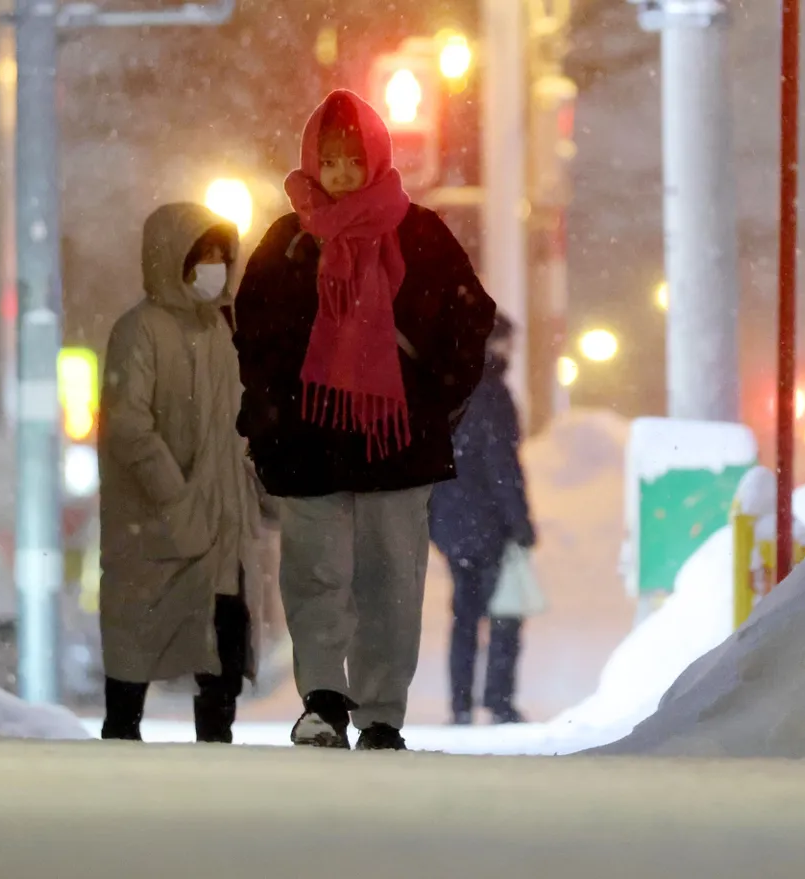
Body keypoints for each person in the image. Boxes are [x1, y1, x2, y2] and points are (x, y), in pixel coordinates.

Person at [234, 90, 496, 751]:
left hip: (396, 443)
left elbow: (470, 321)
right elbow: (255, 337)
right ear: (312, 160)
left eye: (354, 159)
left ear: (376, 157)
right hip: (308, 440)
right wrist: (272, 414)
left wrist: (430, 397)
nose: (343, 172)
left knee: (391, 578)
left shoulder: (420, 234)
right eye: (331, 159)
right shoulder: (287, 241)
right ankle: (322, 700)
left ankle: (382, 713)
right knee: (315, 575)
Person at [98, 203, 263, 743]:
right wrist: (175, 493)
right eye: (203, 255)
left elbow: (237, 422)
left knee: (222, 635)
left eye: (222, 254)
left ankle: (215, 744)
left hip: (221, 522)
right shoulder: (139, 330)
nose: (215, 265)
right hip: (154, 523)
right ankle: (121, 738)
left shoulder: (221, 330)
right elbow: (128, 425)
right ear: (173, 259)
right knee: (137, 632)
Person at [430, 314, 537, 725]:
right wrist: (520, 521)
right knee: (504, 613)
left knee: (463, 614)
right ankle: (499, 699)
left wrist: (435, 518)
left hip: (452, 520)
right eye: (507, 342)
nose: (511, 351)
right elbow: (501, 465)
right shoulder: (491, 393)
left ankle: (460, 704)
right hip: (488, 523)